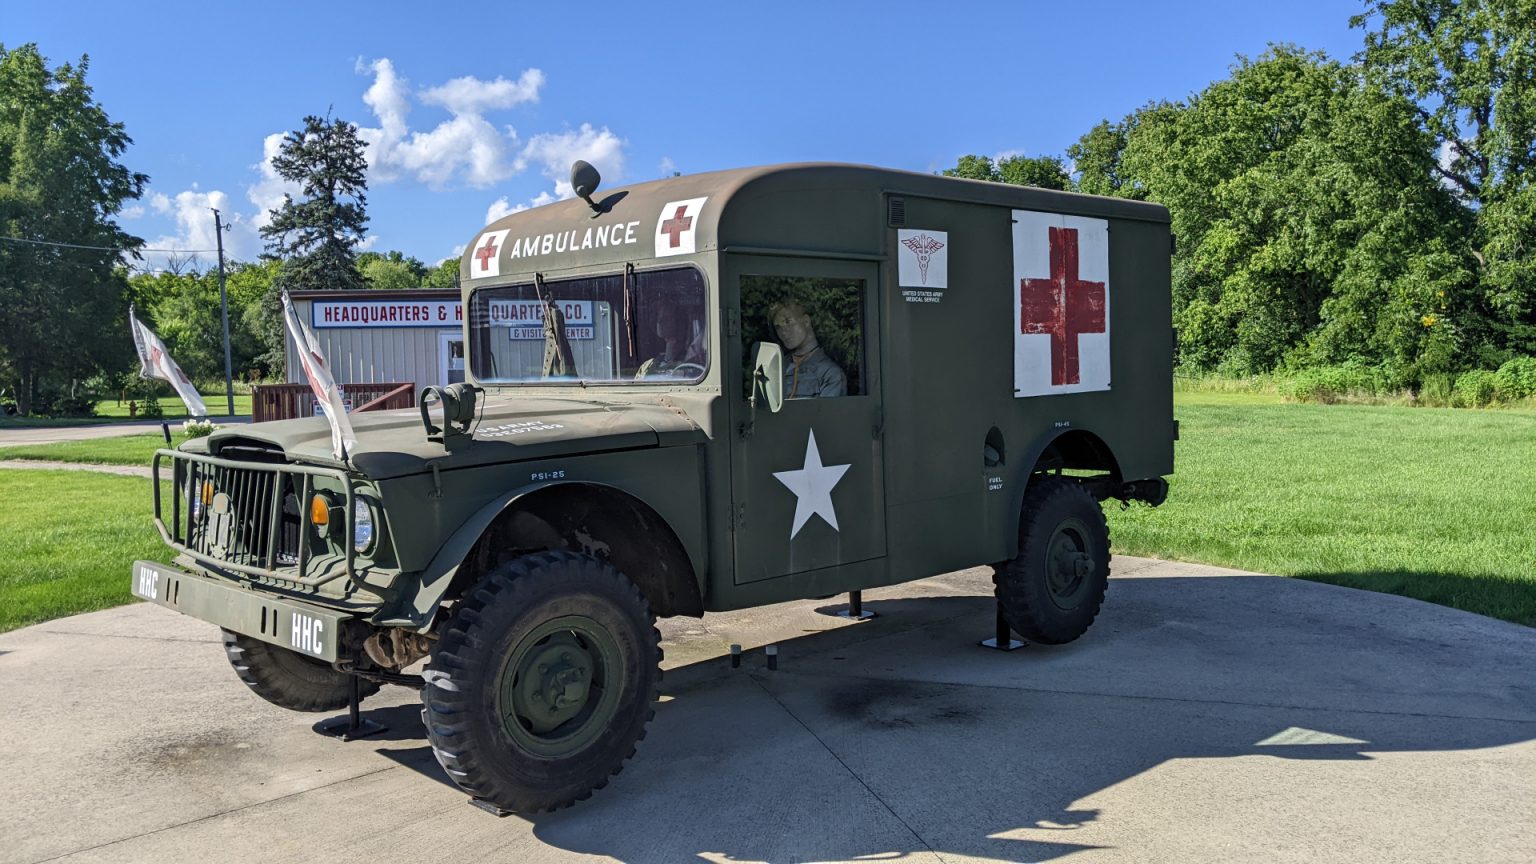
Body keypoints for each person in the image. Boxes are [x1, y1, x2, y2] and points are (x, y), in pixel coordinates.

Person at [770, 300, 846, 398]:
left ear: (806, 321)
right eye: (778, 327)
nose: (783, 331)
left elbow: (827, 412)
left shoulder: (830, 373)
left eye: (788, 321)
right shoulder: (777, 369)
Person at [635, 300, 706, 379]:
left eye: (666, 318)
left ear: (679, 322)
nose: (660, 321)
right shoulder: (648, 365)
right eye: (659, 316)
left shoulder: (690, 363)